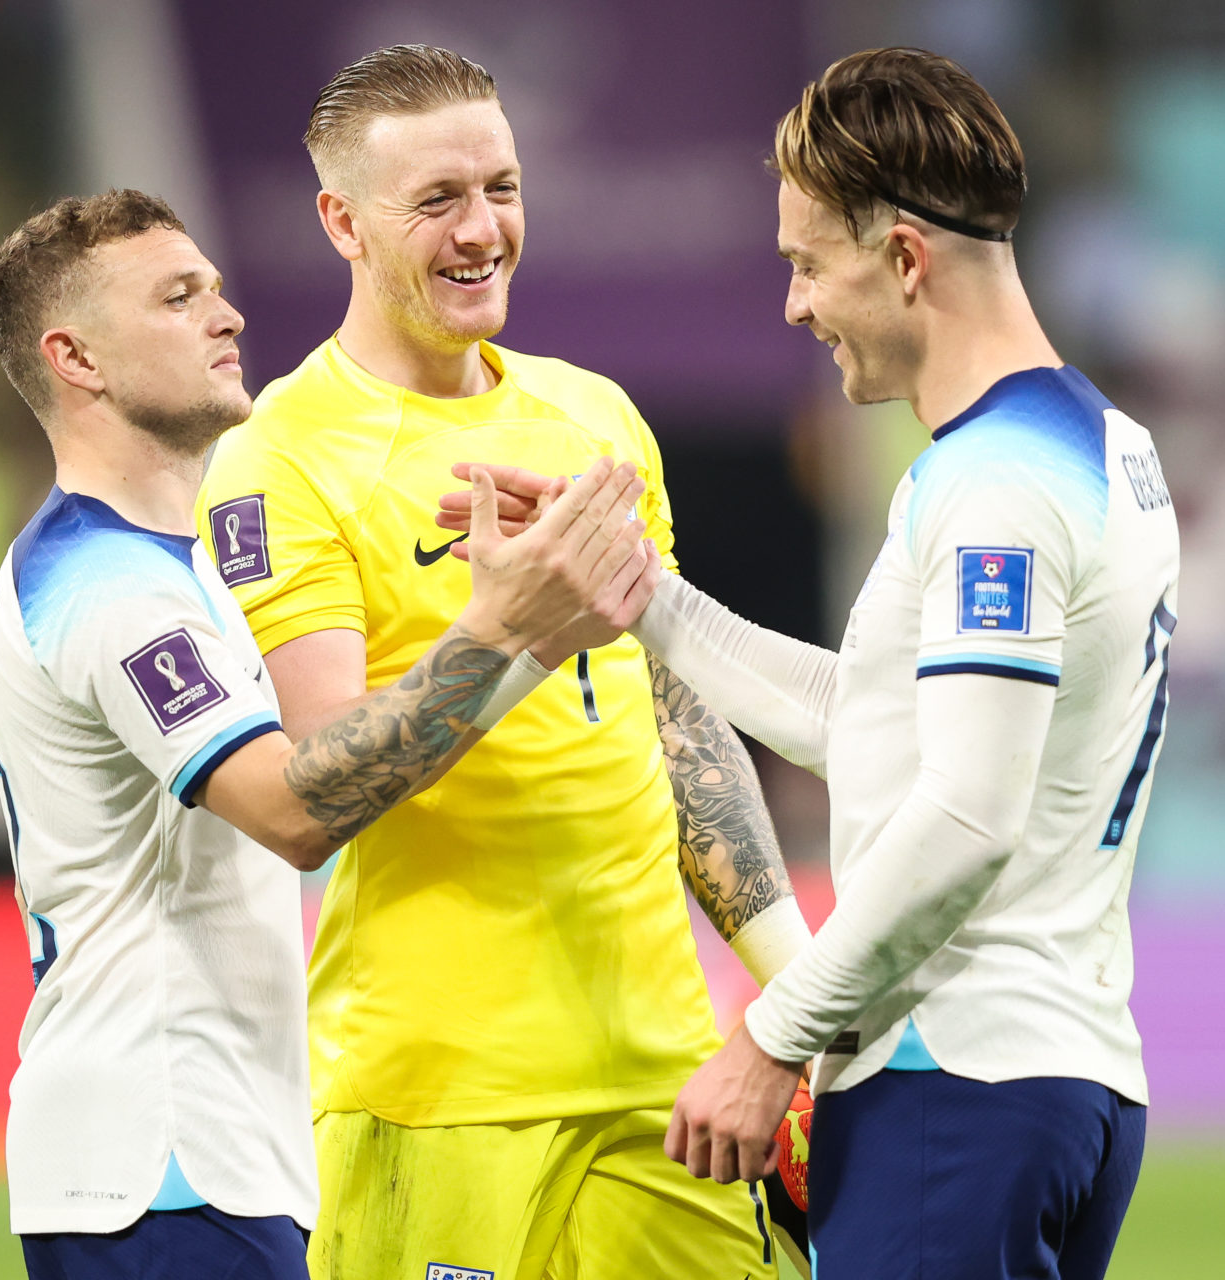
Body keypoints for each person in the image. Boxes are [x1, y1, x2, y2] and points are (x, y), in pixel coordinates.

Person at [456, 46, 1178, 1280]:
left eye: (806, 263)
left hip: (958, 1081)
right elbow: (880, 720)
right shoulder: (1104, 447)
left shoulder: (991, 487)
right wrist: (633, 584)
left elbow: (964, 812)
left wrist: (772, 1038)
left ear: (903, 258)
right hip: (1061, 1073)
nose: (793, 304)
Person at [195, 44, 801, 1280]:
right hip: (440, 1094)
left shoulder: (597, 418)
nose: (483, 231)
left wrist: (800, 992)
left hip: (665, 1082)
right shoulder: (282, 457)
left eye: (503, 188)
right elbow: (316, 786)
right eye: (438, 201)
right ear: (342, 222)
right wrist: (510, 629)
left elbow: (674, 724)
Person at [0, 189, 655, 1280]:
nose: (228, 313)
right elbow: (296, 810)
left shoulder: (172, 564)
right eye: (178, 295)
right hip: (159, 1160)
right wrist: (505, 629)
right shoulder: (111, 593)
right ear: (77, 358)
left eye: (215, 284)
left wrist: (518, 639)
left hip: (208, 1154)